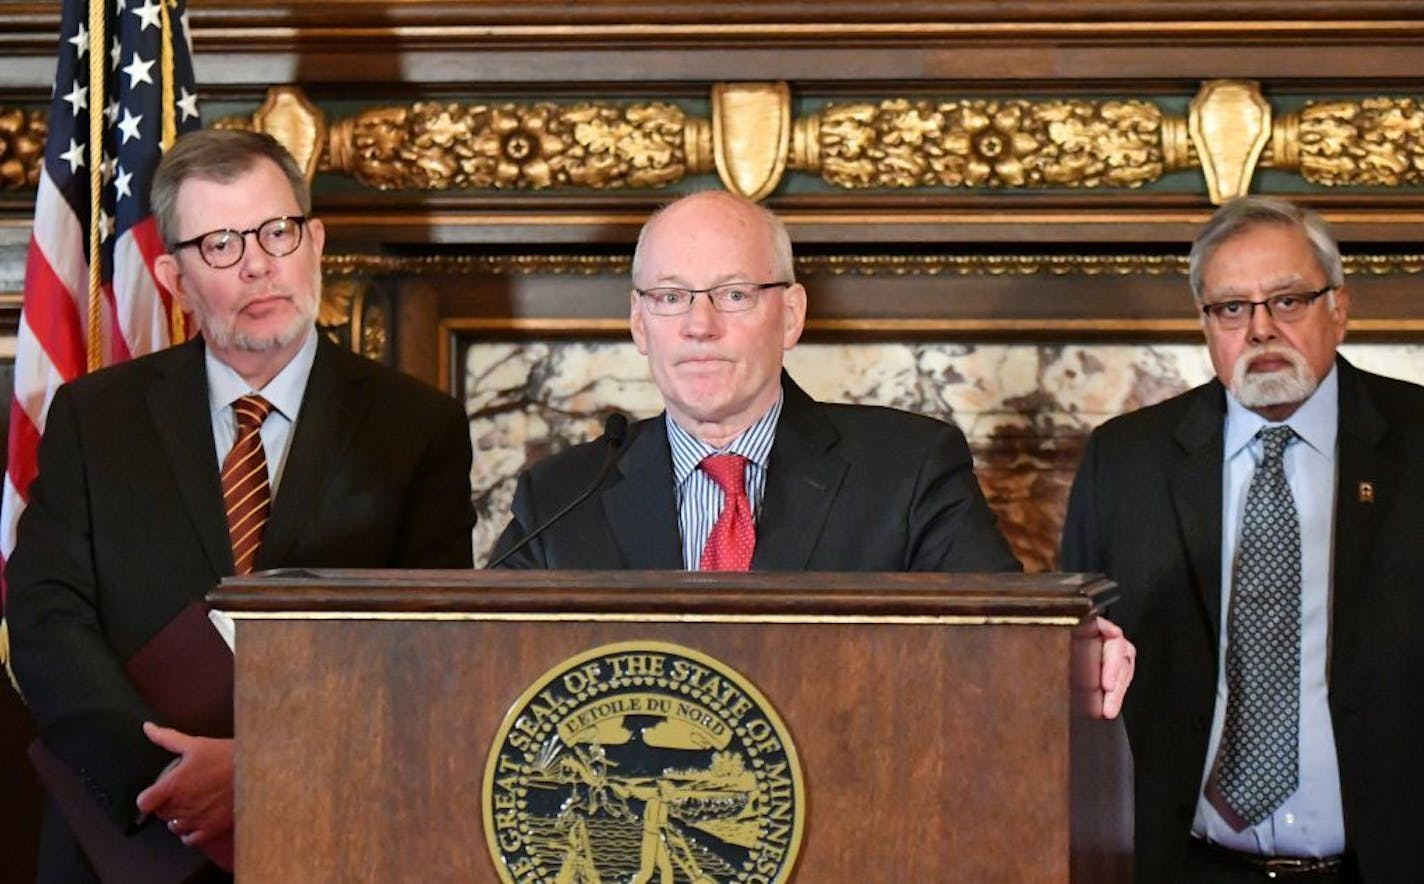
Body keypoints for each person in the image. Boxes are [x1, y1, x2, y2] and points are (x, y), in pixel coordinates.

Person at [6, 129, 476, 882]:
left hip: (335, 837)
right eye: (220, 244)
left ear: (315, 241)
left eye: (276, 232)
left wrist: (263, 771)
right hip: (124, 843)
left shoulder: (417, 426)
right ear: (174, 277)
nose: (258, 264)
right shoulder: (97, 418)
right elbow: (45, 619)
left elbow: (427, 654)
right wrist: (164, 782)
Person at [492, 189, 1133, 705]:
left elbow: (1004, 641)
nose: (698, 325)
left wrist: (1076, 656)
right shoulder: (561, 497)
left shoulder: (908, 469)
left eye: (734, 294)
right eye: (670, 297)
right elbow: (479, 664)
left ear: (792, 315)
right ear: (639, 322)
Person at [1061, 196, 1424, 882]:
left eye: (1287, 301)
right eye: (1232, 308)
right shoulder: (1126, 461)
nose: (1260, 330)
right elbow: (1073, 676)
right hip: (1185, 865)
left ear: (1339, 307)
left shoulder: (1415, 441)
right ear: (1205, 324)